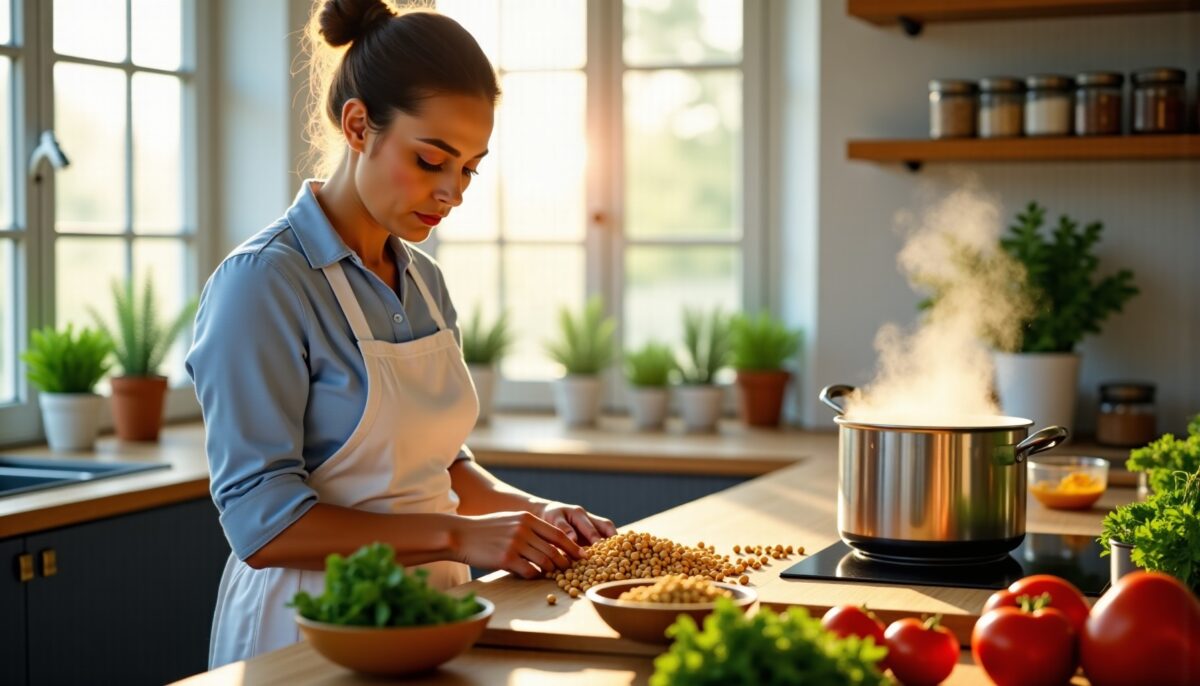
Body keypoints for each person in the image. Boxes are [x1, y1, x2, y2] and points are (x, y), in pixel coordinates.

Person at [187, 0, 616, 668]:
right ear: (359, 125)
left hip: (438, 617)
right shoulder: (263, 284)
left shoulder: (423, 280)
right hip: (307, 629)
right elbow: (262, 524)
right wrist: (464, 538)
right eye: (430, 159)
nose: (452, 193)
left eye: (469, 167)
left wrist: (535, 515)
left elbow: (437, 465)